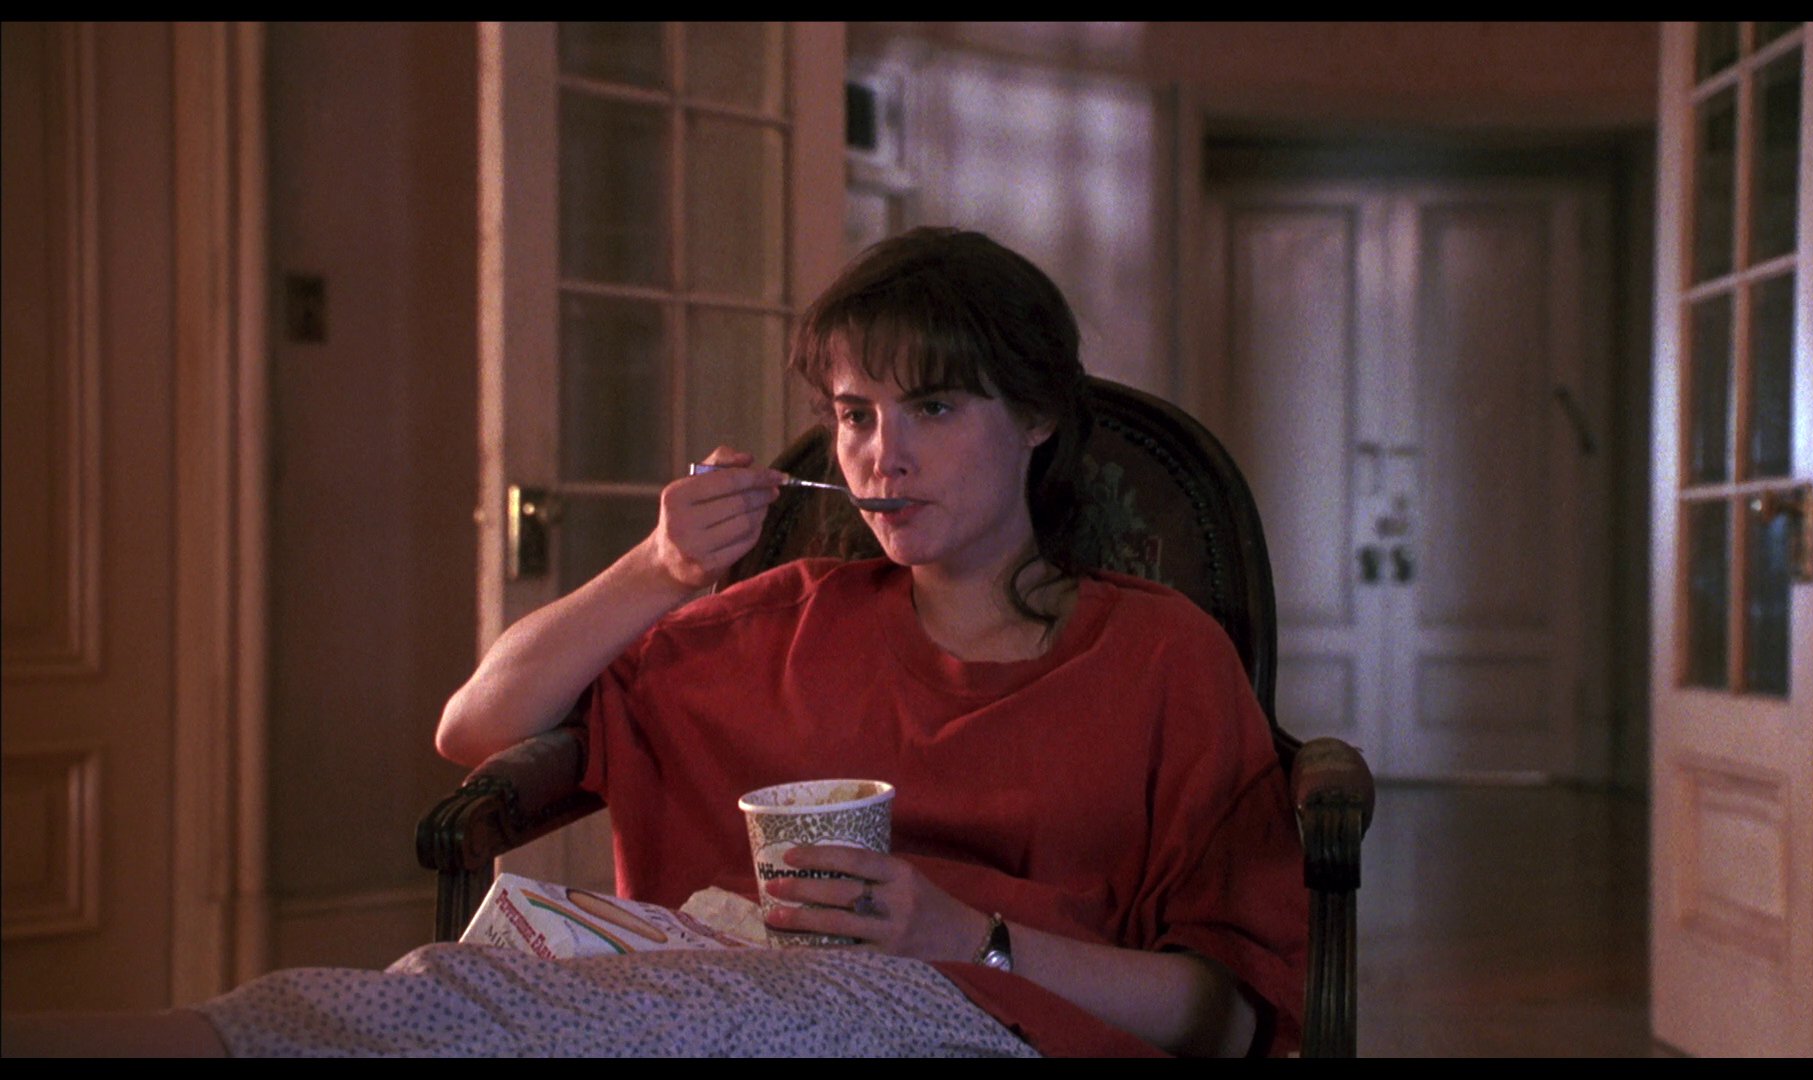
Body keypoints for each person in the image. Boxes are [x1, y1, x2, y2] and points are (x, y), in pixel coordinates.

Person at [2, 228, 1305, 1058]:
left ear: (1037, 418)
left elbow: (1229, 1016)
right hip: (717, 1002)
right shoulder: (783, 621)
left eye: (934, 407)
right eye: (853, 414)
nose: (879, 457)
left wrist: (968, 939)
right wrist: (661, 569)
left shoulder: (1159, 656)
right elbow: (476, 728)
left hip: (982, 1024)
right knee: (456, 990)